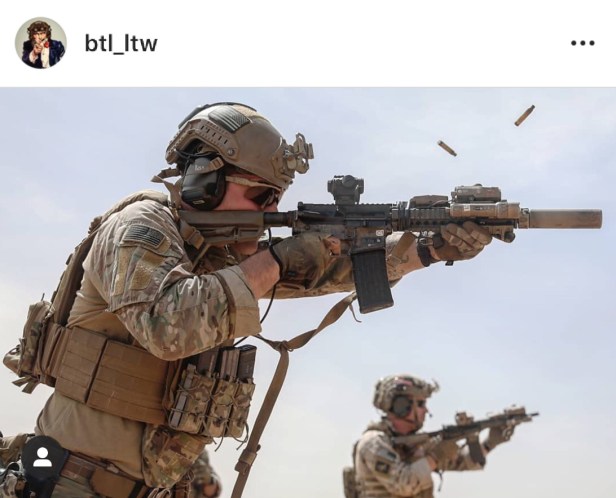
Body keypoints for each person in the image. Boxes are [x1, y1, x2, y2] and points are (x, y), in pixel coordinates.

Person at [1, 102, 492, 497]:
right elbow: (169, 324)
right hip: (69, 483)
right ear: (204, 180)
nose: (272, 211)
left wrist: (428, 249)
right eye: (261, 197)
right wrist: (276, 260)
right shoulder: (140, 228)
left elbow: (326, 274)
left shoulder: (216, 253)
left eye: (276, 198)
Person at [349, 374, 515, 498]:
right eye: (421, 404)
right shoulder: (373, 443)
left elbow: (464, 461)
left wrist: (489, 443)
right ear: (402, 406)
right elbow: (404, 484)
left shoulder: (415, 445)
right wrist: (435, 455)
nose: (426, 410)